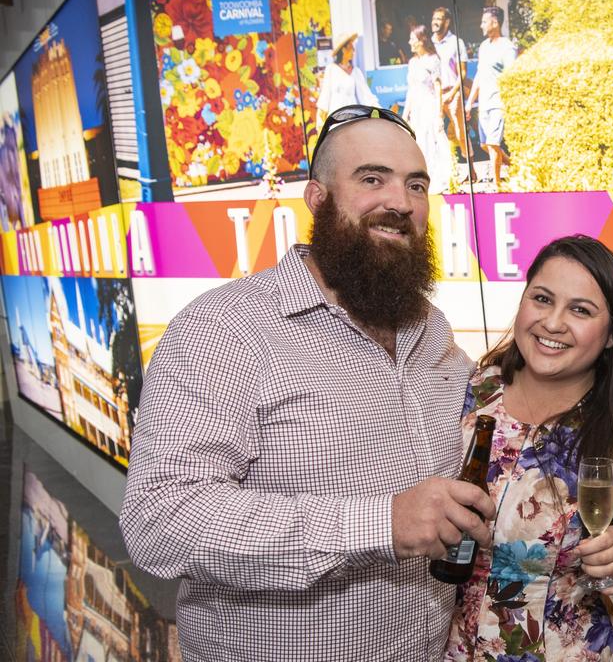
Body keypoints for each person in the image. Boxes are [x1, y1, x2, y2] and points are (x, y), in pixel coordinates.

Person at [119, 104, 496, 661]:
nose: (400, 202)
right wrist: (380, 524)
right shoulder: (226, 329)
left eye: (416, 185)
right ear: (317, 198)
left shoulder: (429, 328)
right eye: (373, 179)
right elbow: (160, 518)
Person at [444, 235, 613, 661]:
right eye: (542, 299)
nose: (553, 322)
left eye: (580, 310)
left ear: (609, 336)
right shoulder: (471, 392)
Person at [466, 6, 518, 187]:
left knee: (493, 144)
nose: (481, 26)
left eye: (484, 22)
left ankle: (497, 186)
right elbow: (479, 75)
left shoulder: (507, 47)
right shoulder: (483, 47)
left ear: (494, 23)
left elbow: (511, 76)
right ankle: (514, 165)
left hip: (498, 102)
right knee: (484, 145)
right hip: (484, 103)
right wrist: (470, 101)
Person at [403, 25, 453, 193]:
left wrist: (439, 113)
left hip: (429, 106)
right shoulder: (412, 62)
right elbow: (411, 89)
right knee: (420, 144)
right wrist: (405, 113)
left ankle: (438, 180)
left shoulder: (433, 60)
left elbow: (438, 86)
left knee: (433, 142)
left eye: (413, 39)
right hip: (416, 109)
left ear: (421, 41)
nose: (410, 42)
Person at [316, 33, 379, 121]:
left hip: (352, 118)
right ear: (343, 50)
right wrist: (320, 122)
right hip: (335, 118)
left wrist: (380, 111)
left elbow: (366, 96)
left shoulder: (356, 71)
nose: (353, 50)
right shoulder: (331, 69)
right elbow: (325, 97)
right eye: (351, 47)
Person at [430, 7, 468, 150]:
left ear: (447, 22)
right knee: (435, 133)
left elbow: (462, 73)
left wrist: (452, 95)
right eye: (433, 19)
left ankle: (471, 169)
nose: (435, 22)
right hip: (435, 95)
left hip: (453, 93)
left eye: (439, 19)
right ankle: (448, 168)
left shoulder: (456, 42)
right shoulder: (429, 44)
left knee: (460, 133)